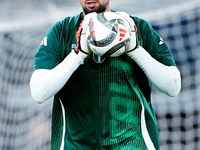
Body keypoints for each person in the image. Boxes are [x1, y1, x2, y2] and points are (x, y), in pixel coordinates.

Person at [30, 0, 181, 149]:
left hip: (132, 143)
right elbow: (39, 94)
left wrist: (135, 50)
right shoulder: (61, 31)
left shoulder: (137, 27)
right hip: (75, 145)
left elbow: (173, 87)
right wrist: (78, 55)